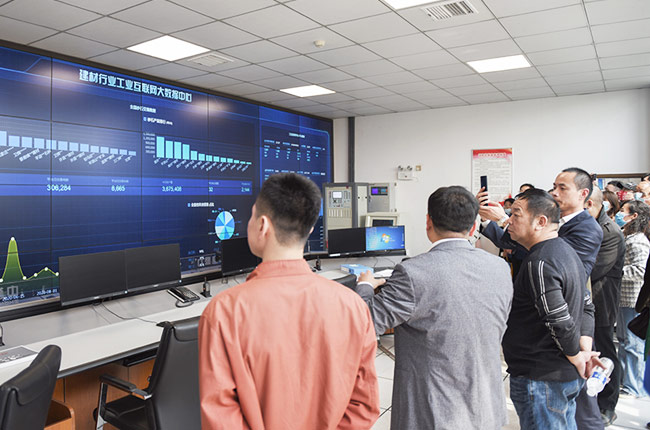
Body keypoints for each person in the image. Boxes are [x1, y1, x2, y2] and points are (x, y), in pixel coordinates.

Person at [198, 173, 380, 430]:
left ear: (262, 225)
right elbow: (364, 406)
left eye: (251, 216)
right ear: (310, 229)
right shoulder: (353, 306)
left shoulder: (224, 311)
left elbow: (221, 418)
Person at [353, 186, 513, 430]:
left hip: (434, 412)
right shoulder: (499, 268)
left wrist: (365, 286)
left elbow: (365, 325)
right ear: (473, 227)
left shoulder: (412, 272)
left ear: (428, 222)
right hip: (485, 408)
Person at [502, 189, 601, 430]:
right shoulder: (567, 252)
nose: (509, 221)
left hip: (541, 377)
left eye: (516, 214)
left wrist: (578, 357)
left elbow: (558, 320)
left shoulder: (540, 261)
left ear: (541, 221)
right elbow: (587, 306)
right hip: (560, 373)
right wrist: (584, 350)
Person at [585, 188, 626, 426]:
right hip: (586, 300)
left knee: (606, 351)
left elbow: (595, 268)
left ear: (590, 203)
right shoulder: (587, 226)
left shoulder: (610, 232)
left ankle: (608, 405)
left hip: (601, 300)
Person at [616, 200, 650, 398]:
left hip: (633, 299)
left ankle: (634, 386)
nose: (620, 214)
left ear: (634, 216)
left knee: (632, 344)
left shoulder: (638, 241)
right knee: (623, 341)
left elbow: (640, 270)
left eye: (623, 211)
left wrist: (616, 271)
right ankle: (626, 381)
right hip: (624, 298)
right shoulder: (629, 237)